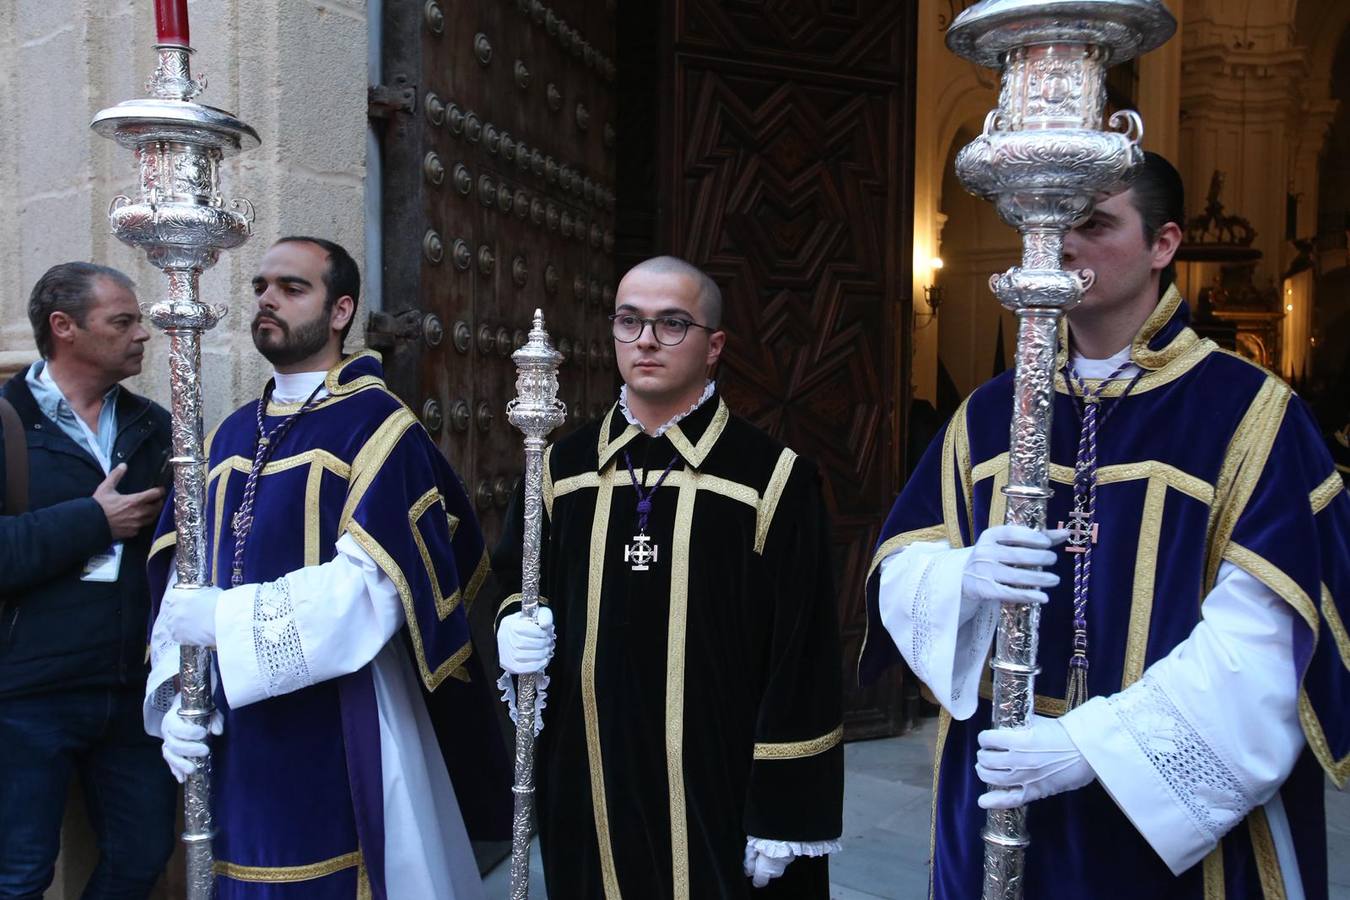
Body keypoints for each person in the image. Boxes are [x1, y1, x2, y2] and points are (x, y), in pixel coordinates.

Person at [858, 152, 1350, 898]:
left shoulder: (1246, 413)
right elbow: (904, 562)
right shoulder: (992, 412)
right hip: (1001, 775)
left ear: (1164, 244)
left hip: (1165, 815)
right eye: (1051, 225)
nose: (1064, 244)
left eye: (1094, 224)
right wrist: (963, 577)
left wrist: (1097, 748)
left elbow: (1268, 635)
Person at [145, 236, 509, 899]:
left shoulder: (377, 427)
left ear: (340, 311)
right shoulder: (228, 434)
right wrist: (178, 692)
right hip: (235, 726)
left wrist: (225, 619)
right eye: (259, 286)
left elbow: (371, 590)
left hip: (345, 714)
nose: (268, 300)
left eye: (292, 287)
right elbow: (182, 580)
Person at [493, 255, 844, 898]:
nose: (646, 340)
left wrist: (788, 810)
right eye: (629, 321)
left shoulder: (771, 478)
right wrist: (513, 625)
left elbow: (806, 653)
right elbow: (514, 577)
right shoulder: (560, 468)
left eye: (672, 324)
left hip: (719, 782)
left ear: (714, 346)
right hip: (588, 777)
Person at [0, 262, 176, 898]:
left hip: (134, 693)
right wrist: (92, 522)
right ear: (63, 327)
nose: (143, 335)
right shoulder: (5, 420)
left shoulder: (156, 425)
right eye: (122, 321)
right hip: (27, 697)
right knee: (19, 874)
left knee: (143, 857)